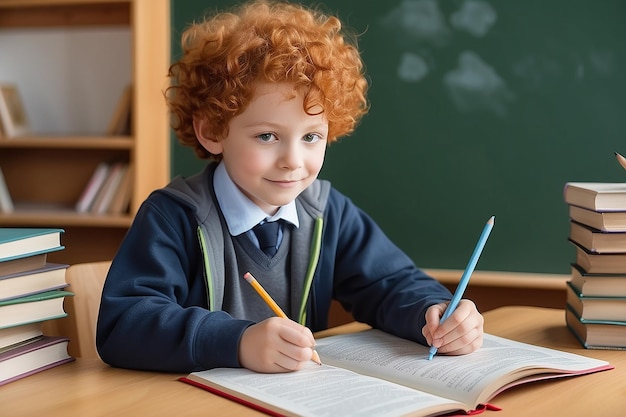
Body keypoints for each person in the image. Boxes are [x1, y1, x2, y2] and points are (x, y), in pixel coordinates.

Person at [96, 0, 484, 374]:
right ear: (213, 130)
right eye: (267, 136)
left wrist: (433, 312)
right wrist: (238, 342)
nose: (293, 161)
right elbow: (124, 323)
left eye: (311, 137)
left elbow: (389, 283)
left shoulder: (327, 212)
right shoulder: (174, 216)